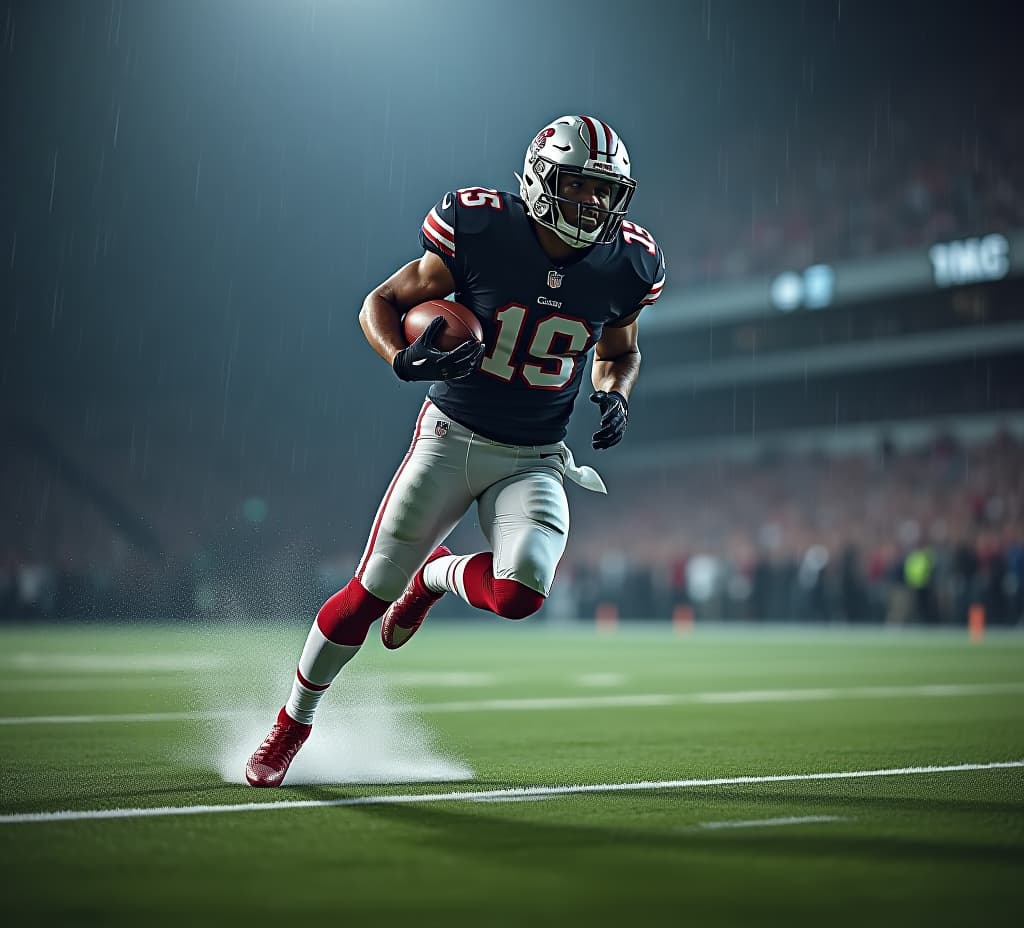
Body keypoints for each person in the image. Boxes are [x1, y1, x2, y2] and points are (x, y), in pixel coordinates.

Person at [245, 114, 666, 787]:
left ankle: (435, 577)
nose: (591, 204)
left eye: (602, 192)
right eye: (577, 187)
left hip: (534, 455)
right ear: (538, 180)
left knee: (522, 592)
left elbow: (621, 351)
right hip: (451, 436)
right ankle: (291, 723)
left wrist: (616, 392)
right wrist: (398, 359)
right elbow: (379, 303)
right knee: (365, 595)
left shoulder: (628, 264)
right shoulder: (480, 229)